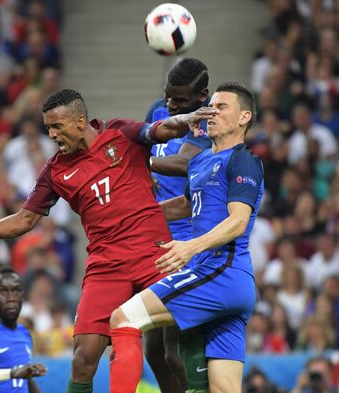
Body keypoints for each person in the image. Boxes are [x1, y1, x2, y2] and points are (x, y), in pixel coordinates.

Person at [0, 88, 216, 393]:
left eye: (57, 126)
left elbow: (164, 129)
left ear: (80, 121)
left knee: (178, 346)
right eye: (48, 127)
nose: (51, 134)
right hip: (106, 266)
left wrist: (187, 118)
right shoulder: (55, 171)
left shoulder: (121, 134)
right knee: (84, 358)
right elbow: (25, 219)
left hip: (153, 256)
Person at [108, 81, 264, 393]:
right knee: (222, 389)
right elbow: (184, 205)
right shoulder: (201, 160)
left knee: (122, 318)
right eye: (211, 107)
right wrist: (130, 216)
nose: (212, 112)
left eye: (221, 107)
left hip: (219, 273)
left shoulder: (243, 160)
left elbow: (238, 221)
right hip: (227, 286)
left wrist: (190, 247)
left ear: (244, 117)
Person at [146, 58, 212, 393]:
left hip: (185, 242)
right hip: (153, 240)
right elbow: (143, 141)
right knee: (154, 353)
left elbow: (185, 163)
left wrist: (143, 161)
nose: (171, 105)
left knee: (175, 352)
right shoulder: (158, 110)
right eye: (168, 96)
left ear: (203, 96)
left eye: (181, 100)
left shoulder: (208, 122)